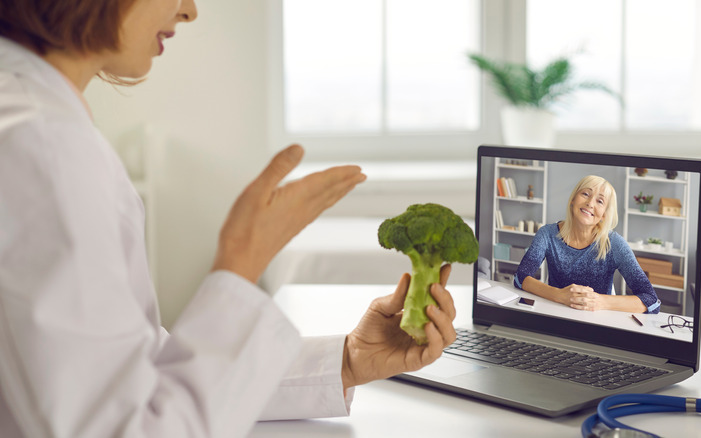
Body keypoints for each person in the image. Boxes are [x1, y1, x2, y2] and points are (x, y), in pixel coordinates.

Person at [0, 0, 458, 436]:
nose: (189, 9)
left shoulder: (36, 123)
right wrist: (241, 263)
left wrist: (347, 360)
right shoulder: (48, 150)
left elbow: (131, 370)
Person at [513, 175, 661, 314]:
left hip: (597, 324)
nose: (590, 203)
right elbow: (520, 277)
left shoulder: (615, 244)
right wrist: (559, 295)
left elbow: (651, 300)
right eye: (585, 194)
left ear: (604, 214)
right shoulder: (547, 234)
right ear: (573, 199)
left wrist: (600, 301)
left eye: (600, 201)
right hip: (555, 316)